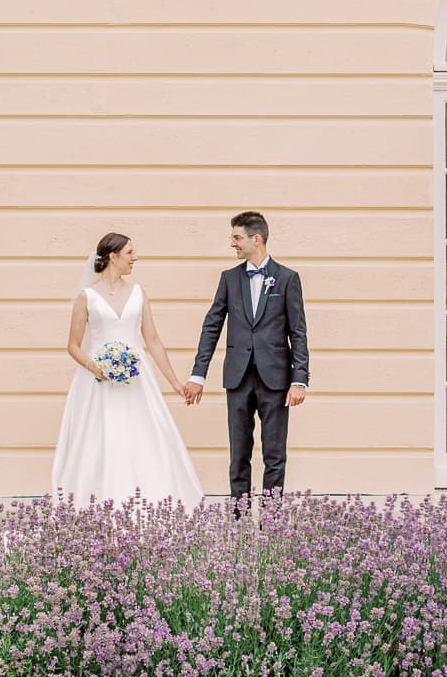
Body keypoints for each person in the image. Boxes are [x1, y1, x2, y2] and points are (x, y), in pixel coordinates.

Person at [52, 231, 203, 510]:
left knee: (145, 435)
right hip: (99, 382)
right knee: (101, 438)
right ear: (113, 256)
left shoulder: (138, 292)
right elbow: (73, 345)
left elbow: (153, 341)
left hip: (137, 379)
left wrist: (174, 383)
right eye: (130, 253)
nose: (135, 258)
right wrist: (95, 367)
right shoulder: (87, 297)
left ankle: (151, 499)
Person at [184, 211, 309, 504]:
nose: (233, 244)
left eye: (237, 237)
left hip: (276, 379)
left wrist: (299, 379)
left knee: (275, 454)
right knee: (238, 453)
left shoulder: (287, 278)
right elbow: (211, 326)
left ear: (256, 239)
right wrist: (197, 375)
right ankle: (238, 521)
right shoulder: (229, 279)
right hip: (238, 378)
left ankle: (271, 522)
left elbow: (298, 331)